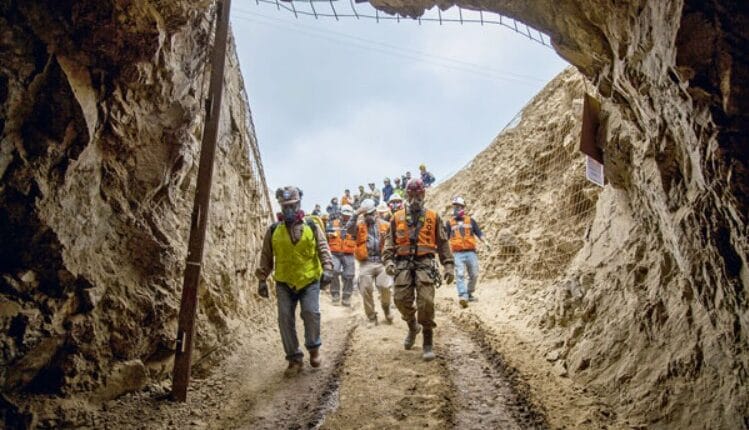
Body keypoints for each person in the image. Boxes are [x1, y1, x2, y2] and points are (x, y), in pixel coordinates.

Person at [256, 186, 334, 376]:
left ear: (299, 204)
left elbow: (323, 248)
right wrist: (262, 279)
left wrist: (328, 269)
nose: (289, 209)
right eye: (285, 206)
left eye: (292, 205)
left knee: (310, 312)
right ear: (281, 207)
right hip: (284, 282)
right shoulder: (273, 230)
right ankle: (294, 359)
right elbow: (266, 256)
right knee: (284, 318)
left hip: (309, 280)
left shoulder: (312, 225)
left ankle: (314, 349)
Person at [383, 178, 454, 361]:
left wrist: (448, 265)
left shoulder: (433, 216)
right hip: (402, 264)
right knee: (400, 299)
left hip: (425, 264)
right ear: (407, 195)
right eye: (411, 194)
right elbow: (389, 242)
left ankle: (427, 341)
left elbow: (443, 242)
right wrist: (389, 261)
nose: (415, 198)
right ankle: (412, 326)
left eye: (418, 194)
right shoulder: (396, 217)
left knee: (426, 302)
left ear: (423, 194)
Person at [347, 198, 394, 327]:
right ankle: (372, 317)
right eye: (366, 214)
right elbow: (349, 229)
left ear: (376, 213)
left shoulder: (385, 225)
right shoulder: (359, 226)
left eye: (371, 213)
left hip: (381, 262)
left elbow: (393, 242)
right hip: (366, 263)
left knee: (385, 286)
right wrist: (356, 214)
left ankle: (386, 308)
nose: (369, 217)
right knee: (365, 288)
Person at [445, 196, 489, 308]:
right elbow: (445, 238)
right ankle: (463, 296)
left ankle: (469, 293)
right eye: (455, 206)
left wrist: (486, 242)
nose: (457, 209)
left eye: (459, 206)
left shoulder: (471, 221)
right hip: (457, 253)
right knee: (459, 274)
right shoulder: (449, 223)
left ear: (463, 207)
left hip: (471, 252)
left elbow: (479, 233)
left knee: (474, 274)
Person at [326, 204, 357, 306]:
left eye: (348, 215)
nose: (346, 217)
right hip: (335, 253)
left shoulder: (355, 226)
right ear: (340, 214)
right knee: (334, 271)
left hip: (348, 253)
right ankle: (335, 294)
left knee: (349, 275)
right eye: (344, 215)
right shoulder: (332, 224)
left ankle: (346, 297)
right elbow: (325, 236)